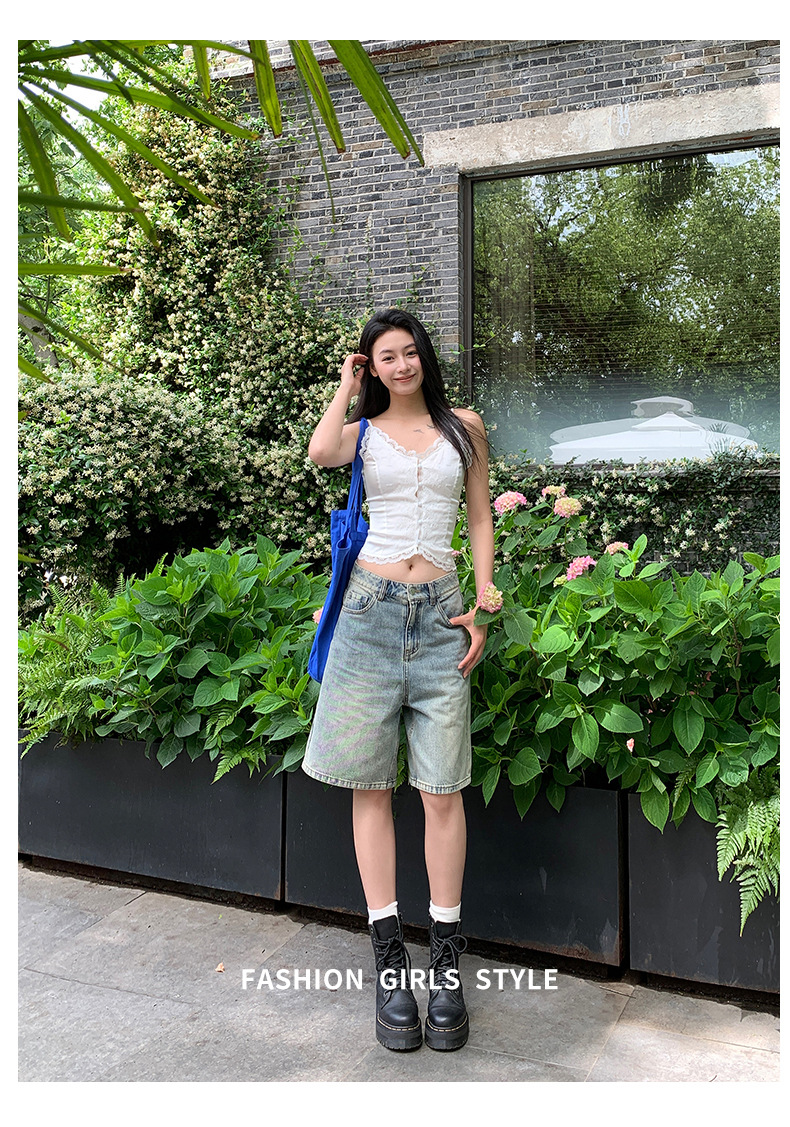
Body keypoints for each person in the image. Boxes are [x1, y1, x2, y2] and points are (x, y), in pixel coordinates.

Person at [303, 307, 494, 1053]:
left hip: (443, 613)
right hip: (368, 615)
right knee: (371, 788)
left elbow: (479, 519)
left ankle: (445, 964)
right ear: (372, 366)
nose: (402, 364)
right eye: (386, 356)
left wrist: (483, 603)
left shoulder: (464, 427)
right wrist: (344, 387)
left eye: (410, 352)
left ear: (425, 357)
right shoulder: (362, 432)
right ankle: (390, 966)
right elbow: (321, 451)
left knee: (442, 790)